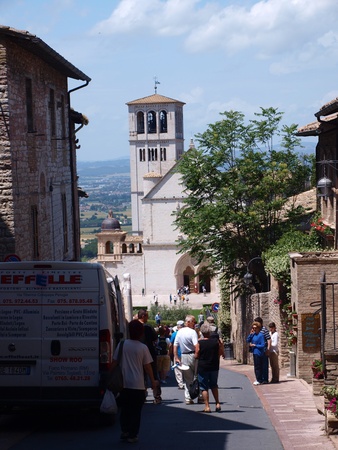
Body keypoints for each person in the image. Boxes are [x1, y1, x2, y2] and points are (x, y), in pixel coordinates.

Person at [111, 319, 159, 444]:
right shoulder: (143, 348)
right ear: (141, 333)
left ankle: (125, 430)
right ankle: (133, 434)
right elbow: (147, 366)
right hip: (138, 384)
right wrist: (153, 381)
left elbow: (114, 362)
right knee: (136, 411)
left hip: (123, 384)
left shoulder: (121, 344)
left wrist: (108, 376)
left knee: (125, 409)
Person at [173, 315, 201, 405]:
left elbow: (175, 345)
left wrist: (176, 357)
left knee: (187, 378)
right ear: (188, 322)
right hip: (192, 354)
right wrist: (197, 355)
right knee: (197, 376)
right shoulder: (192, 332)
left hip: (184, 356)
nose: (194, 323)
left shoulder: (179, 332)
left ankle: (188, 398)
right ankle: (199, 396)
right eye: (193, 321)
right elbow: (196, 345)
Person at [196, 322, 222, 412]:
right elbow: (220, 352)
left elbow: (196, 355)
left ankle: (207, 406)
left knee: (204, 387)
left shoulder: (199, 342)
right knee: (214, 385)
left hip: (203, 366)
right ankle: (217, 403)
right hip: (214, 365)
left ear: (201, 332)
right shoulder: (215, 342)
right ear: (210, 332)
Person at [137, 309, 162, 404]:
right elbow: (155, 338)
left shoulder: (133, 326)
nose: (148, 318)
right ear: (143, 316)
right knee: (154, 374)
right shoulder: (148, 327)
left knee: (141, 375)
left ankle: (142, 396)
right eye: (147, 316)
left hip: (138, 354)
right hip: (149, 353)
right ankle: (157, 397)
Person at [247, 321, 266, 385]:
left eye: (255, 328)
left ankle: (259, 379)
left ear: (258, 328)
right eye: (253, 328)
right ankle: (258, 379)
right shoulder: (253, 335)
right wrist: (250, 334)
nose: (254, 329)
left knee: (259, 366)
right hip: (255, 352)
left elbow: (263, 345)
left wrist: (255, 345)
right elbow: (247, 340)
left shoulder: (261, 335)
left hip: (259, 353)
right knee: (256, 366)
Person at [254, 316, 271, 383]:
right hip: (256, 350)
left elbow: (269, 339)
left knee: (264, 365)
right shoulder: (254, 330)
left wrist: (268, 349)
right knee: (257, 365)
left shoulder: (264, 330)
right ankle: (259, 379)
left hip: (263, 350)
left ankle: (265, 379)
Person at [169, 320, 184, 389]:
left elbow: (170, 345)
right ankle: (187, 382)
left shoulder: (174, 334)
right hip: (185, 353)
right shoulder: (185, 333)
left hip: (177, 353)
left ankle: (180, 383)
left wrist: (170, 353)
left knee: (178, 369)